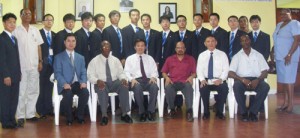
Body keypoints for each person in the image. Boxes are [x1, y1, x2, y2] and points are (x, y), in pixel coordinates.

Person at [87, 41, 132, 126]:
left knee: (124, 86)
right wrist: (97, 80)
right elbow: (90, 75)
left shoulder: (115, 60)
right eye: (104, 46)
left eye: (108, 46)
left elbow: (121, 72)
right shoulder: (94, 61)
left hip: (114, 82)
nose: (107, 48)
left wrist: (123, 79)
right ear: (101, 49)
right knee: (102, 88)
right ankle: (104, 115)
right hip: (101, 82)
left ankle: (124, 113)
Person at [13, 9, 44, 127]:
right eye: (25, 14)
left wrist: (40, 61)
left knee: (34, 90)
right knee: (21, 91)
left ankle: (30, 114)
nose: (27, 16)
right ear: (20, 16)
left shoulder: (35, 30)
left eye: (29, 14)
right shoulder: (16, 31)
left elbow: (39, 47)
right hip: (21, 66)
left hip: (35, 66)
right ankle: (20, 116)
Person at [229, 34, 270, 122]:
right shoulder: (237, 56)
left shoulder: (258, 55)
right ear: (240, 43)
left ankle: (253, 112)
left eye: (246, 40)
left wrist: (258, 80)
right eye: (243, 41)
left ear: (250, 41)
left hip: (257, 79)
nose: (245, 42)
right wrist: (242, 79)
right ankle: (243, 112)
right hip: (242, 80)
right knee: (236, 86)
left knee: (265, 87)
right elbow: (230, 73)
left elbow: (265, 72)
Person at [53, 33, 89, 126]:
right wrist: (64, 83)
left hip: (77, 84)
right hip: (65, 84)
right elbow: (57, 73)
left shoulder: (80, 57)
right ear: (64, 42)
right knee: (68, 94)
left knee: (85, 92)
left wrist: (83, 82)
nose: (71, 43)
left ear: (76, 43)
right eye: (68, 41)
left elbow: (83, 72)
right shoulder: (58, 57)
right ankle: (69, 117)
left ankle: (79, 115)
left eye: (73, 41)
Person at [124, 39, 159, 122]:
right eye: (138, 45)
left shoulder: (150, 58)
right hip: (136, 81)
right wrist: (131, 79)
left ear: (145, 47)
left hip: (148, 80)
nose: (140, 47)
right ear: (135, 47)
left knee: (154, 87)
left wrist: (153, 77)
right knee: (137, 88)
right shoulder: (130, 58)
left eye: (142, 45)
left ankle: (151, 111)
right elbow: (126, 72)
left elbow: (155, 71)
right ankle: (142, 112)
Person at [273, 9, 300, 113]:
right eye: (281, 13)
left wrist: (289, 54)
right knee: (283, 80)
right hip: (279, 57)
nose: (283, 15)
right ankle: (285, 103)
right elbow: (277, 39)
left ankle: (291, 105)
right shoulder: (279, 24)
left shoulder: (295, 23)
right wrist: (273, 51)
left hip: (290, 57)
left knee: (289, 80)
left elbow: (297, 40)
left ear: (290, 14)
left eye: (285, 13)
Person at [161, 41, 196, 122]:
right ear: (175, 49)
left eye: (182, 48)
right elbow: (163, 72)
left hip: (185, 81)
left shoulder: (191, 59)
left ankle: (189, 111)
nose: (180, 49)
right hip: (172, 81)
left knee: (189, 88)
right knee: (168, 88)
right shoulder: (169, 59)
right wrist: (167, 77)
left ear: (185, 49)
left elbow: (194, 73)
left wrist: (191, 77)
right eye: (178, 48)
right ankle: (172, 110)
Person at [197, 36, 229, 120]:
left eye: (212, 41)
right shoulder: (201, 55)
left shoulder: (222, 54)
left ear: (216, 43)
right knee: (203, 89)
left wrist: (221, 79)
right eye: (208, 41)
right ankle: (206, 112)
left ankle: (220, 112)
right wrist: (202, 79)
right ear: (205, 44)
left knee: (224, 88)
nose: (210, 43)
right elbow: (199, 70)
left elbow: (226, 69)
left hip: (219, 80)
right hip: (206, 80)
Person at [0, 13, 21, 129]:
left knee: (14, 98)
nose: (12, 24)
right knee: (5, 99)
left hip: (16, 75)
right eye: (9, 22)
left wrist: (19, 72)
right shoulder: (1, 38)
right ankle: (5, 121)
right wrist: (6, 75)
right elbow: (1, 60)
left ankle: (12, 119)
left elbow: (16, 58)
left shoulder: (14, 38)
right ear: (4, 23)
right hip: (6, 76)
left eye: (14, 22)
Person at [36, 14, 56, 119]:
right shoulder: (38, 33)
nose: (49, 21)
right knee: (41, 87)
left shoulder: (54, 34)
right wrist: (39, 61)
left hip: (51, 65)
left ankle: (48, 109)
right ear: (43, 22)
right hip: (42, 64)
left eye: (51, 20)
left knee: (50, 87)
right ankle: (40, 110)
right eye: (47, 20)